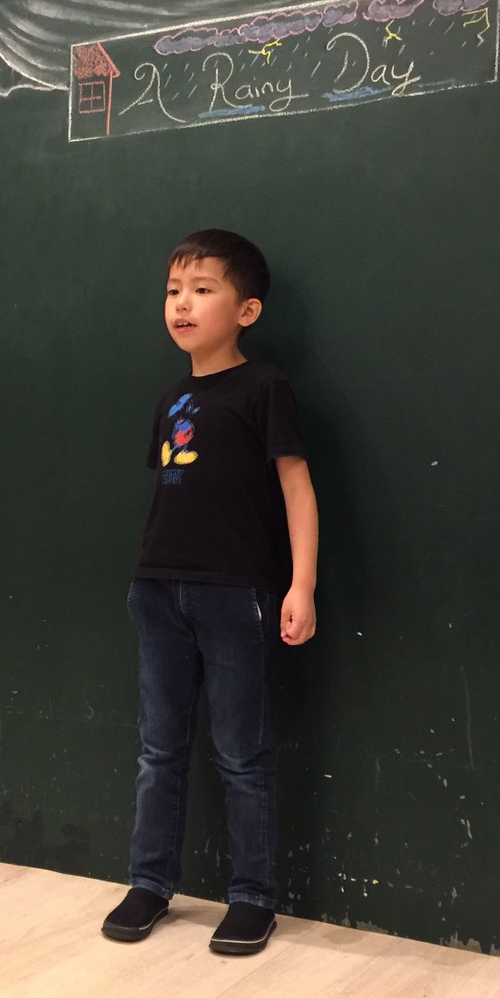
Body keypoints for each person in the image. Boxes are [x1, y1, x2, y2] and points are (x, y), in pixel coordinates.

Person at [101, 229, 318, 956]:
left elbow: (297, 488)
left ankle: (253, 896)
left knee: (241, 755)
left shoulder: (265, 388)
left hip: (235, 595)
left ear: (246, 310)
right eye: (173, 291)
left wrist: (301, 585)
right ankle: (149, 883)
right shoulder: (172, 397)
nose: (182, 304)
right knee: (159, 750)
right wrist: (146, 581)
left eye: (202, 289)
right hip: (159, 591)